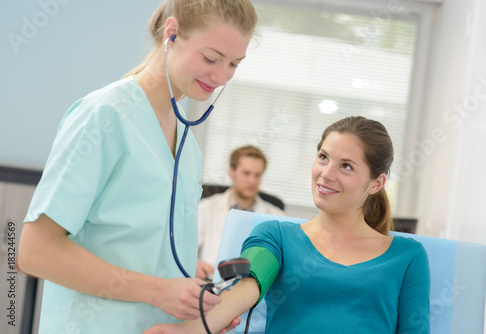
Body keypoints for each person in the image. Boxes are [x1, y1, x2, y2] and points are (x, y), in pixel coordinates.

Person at [17, 0, 257, 333]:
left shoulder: (187, 143)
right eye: (210, 58)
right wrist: (159, 292)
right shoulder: (104, 117)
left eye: (234, 63)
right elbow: (34, 251)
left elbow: (153, 258)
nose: (221, 76)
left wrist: (198, 308)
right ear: (171, 34)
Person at [144, 116, 431, 334]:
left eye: (346, 166)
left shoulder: (407, 256)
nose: (325, 174)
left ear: (377, 183)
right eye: (323, 157)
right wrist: (187, 331)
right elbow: (246, 288)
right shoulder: (275, 235)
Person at [197, 146, 285, 280]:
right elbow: (184, 250)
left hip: (254, 289)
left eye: (257, 175)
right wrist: (194, 264)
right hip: (210, 282)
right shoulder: (205, 208)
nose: (252, 181)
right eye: (246, 173)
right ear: (231, 172)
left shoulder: (276, 216)